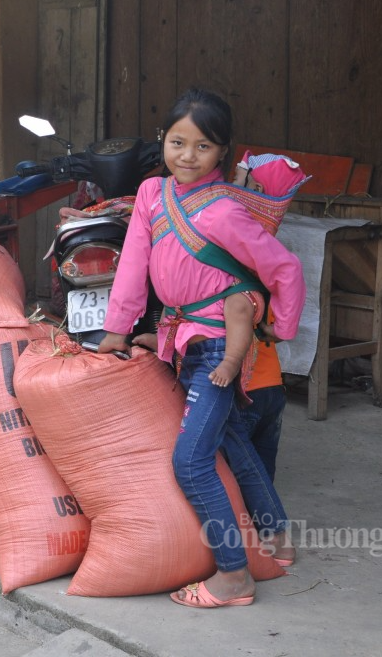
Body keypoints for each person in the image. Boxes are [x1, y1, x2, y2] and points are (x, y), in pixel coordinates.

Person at [99, 88, 303, 608]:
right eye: (177, 142)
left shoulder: (225, 212)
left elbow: (285, 268)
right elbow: (133, 264)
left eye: (203, 147)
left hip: (219, 348)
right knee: (231, 439)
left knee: (191, 462)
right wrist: (118, 328)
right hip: (184, 339)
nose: (187, 156)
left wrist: (283, 325)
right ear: (162, 141)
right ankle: (276, 535)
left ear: (223, 153)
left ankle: (233, 575)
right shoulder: (150, 195)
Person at [208, 152, 310, 390]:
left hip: (243, 384)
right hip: (268, 379)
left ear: (256, 188)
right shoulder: (266, 237)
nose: (230, 185)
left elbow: (289, 270)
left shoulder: (241, 233)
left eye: (236, 178)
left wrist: (282, 330)